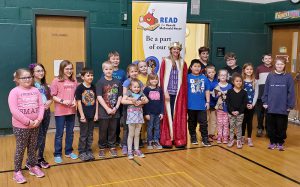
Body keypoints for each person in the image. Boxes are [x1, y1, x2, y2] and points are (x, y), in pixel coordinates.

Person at [8, 68, 45, 184]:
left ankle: (32, 166)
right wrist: (28, 122)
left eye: (29, 77)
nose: (27, 79)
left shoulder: (36, 90)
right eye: (24, 77)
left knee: (33, 147)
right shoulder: (14, 92)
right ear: (17, 79)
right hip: (21, 127)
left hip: (35, 125)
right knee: (20, 148)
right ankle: (17, 172)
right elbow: (14, 110)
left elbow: (41, 106)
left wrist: (39, 119)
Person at [262, 57, 295, 151]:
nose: (279, 66)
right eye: (277, 64)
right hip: (271, 106)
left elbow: (291, 92)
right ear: (275, 65)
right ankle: (272, 142)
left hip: (283, 107)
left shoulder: (288, 77)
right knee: (271, 126)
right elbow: (266, 89)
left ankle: (280, 142)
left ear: (284, 65)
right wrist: (265, 101)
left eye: (281, 64)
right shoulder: (270, 76)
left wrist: (290, 105)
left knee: (281, 126)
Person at [159, 41, 188, 148]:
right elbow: (162, 78)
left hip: (178, 94)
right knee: (168, 115)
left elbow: (184, 82)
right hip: (168, 93)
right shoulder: (165, 61)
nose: (176, 51)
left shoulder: (183, 63)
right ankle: (167, 139)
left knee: (178, 116)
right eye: (174, 49)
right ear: (170, 50)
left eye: (178, 49)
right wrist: (164, 91)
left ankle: (178, 139)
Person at [51, 60, 78, 163]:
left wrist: (75, 100)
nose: (69, 71)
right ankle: (57, 153)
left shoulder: (74, 80)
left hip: (71, 111)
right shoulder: (56, 81)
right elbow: (53, 96)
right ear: (62, 69)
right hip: (60, 112)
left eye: (71, 68)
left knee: (70, 133)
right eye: (67, 69)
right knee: (59, 133)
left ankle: (68, 151)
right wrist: (63, 101)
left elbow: (76, 94)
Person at [96, 61, 122, 158]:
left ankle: (112, 146)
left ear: (113, 70)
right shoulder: (100, 82)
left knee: (113, 130)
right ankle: (102, 148)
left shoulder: (117, 82)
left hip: (115, 111)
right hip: (104, 112)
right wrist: (107, 109)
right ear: (103, 70)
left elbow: (119, 96)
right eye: (106, 69)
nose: (108, 71)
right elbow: (99, 97)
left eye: (110, 69)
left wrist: (115, 108)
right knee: (103, 130)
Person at [29, 63, 52, 169]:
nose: (41, 72)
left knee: (43, 136)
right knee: (38, 137)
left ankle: (40, 158)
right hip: (36, 114)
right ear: (33, 73)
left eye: (42, 70)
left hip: (46, 113)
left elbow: (50, 97)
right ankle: (30, 160)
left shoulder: (45, 85)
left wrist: (49, 102)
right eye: (38, 71)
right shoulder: (30, 86)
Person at [121, 80, 149, 159]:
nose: (136, 89)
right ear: (130, 87)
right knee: (131, 134)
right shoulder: (129, 93)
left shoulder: (141, 93)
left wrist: (142, 101)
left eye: (138, 87)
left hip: (139, 115)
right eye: (135, 87)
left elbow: (147, 100)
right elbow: (123, 101)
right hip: (131, 115)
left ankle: (136, 149)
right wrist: (132, 101)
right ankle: (130, 150)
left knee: (137, 134)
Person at [75, 68, 98, 161]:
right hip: (84, 115)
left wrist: (96, 114)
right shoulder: (80, 88)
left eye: (91, 75)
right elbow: (79, 102)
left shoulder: (94, 87)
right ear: (83, 77)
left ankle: (88, 150)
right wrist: (82, 115)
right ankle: (82, 152)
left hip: (92, 114)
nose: (90, 77)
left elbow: (96, 101)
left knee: (90, 134)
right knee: (83, 134)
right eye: (88, 75)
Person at [187, 59, 211, 146]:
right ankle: (193, 136)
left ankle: (205, 138)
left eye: (199, 66)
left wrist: (208, 102)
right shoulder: (187, 77)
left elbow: (207, 90)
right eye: (195, 66)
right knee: (192, 121)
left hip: (201, 105)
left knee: (203, 122)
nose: (197, 68)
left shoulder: (204, 78)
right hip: (190, 105)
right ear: (191, 67)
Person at [121, 64, 144, 155]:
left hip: (138, 109)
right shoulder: (126, 82)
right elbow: (125, 96)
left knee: (137, 129)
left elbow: (142, 95)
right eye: (132, 71)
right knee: (127, 128)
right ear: (128, 73)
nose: (134, 73)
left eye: (136, 71)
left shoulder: (140, 82)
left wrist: (141, 102)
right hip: (128, 108)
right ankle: (125, 145)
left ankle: (136, 147)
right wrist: (132, 101)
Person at [108, 51, 127, 145]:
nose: (116, 60)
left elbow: (125, 86)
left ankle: (117, 138)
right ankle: (109, 139)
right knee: (109, 120)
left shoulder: (122, 72)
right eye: (113, 59)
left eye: (117, 59)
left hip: (119, 100)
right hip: (108, 100)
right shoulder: (107, 70)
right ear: (109, 60)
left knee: (118, 120)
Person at [226, 73, 248, 149]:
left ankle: (238, 140)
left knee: (239, 127)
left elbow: (244, 103)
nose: (239, 82)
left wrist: (239, 111)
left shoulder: (244, 92)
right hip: (231, 113)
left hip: (240, 113)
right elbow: (227, 102)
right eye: (237, 81)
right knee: (231, 127)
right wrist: (232, 111)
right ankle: (231, 140)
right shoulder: (229, 91)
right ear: (233, 82)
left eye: (240, 81)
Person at [144, 73, 164, 149]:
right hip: (150, 113)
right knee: (150, 127)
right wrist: (146, 113)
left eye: (156, 78)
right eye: (152, 79)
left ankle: (156, 140)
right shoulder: (146, 89)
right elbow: (145, 103)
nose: (154, 80)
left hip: (158, 113)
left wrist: (162, 112)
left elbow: (162, 101)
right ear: (149, 80)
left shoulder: (159, 89)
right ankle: (150, 141)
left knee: (157, 127)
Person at [255, 54, 273, 137]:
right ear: (263, 60)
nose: (268, 60)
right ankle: (260, 128)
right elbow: (256, 81)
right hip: (261, 94)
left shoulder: (274, 69)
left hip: (271, 96)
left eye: (269, 58)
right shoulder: (259, 68)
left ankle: (268, 130)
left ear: (272, 59)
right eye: (266, 58)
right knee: (260, 114)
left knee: (269, 114)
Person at [213, 69, 232, 144]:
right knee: (219, 123)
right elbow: (214, 97)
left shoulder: (230, 86)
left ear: (227, 77)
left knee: (226, 123)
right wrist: (218, 95)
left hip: (227, 109)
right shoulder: (216, 85)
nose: (223, 76)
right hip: (219, 109)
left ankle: (225, 137)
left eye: (225, 75)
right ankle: (219, 136)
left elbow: (232, 97)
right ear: (218, 77)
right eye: (221, 75)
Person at [241, 63, 258, 147]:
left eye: (251, 69)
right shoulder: (241, 81)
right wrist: (244, 104)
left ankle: (249, 138)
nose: (249, 71)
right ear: (244, 70)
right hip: (243, 105)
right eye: (247, 69)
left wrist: (253, 104)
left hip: (251, 105)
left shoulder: (255, 81)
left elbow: (256, 94)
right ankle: (242, 137)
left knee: (249, 122)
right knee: (243, 122)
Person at [206, 65, 218, 142]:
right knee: (206, 120)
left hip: (214, 104)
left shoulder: (217, 82)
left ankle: (212, 134)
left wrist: (213, 94)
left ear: (215, 72)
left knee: (213, 120)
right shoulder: (205, 81)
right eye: (209, 72)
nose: (211, 74)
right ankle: (206, 134)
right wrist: (210, 92)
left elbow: (217, 94)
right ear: (206, 73)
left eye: (212, 72)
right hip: (206, 104)